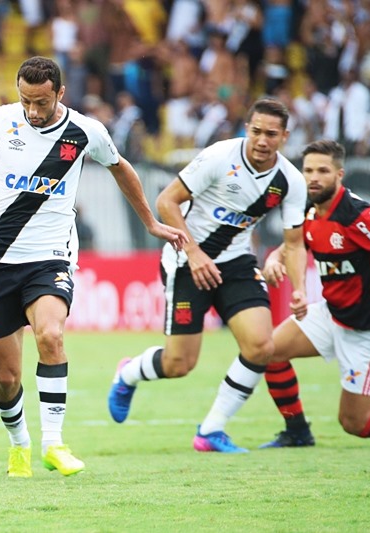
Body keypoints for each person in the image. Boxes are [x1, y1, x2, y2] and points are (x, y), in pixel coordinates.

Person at [0, 56, 187, 478]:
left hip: (51, 257)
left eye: (41, 102)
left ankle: (53, 443)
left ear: (60, 94)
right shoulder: (0, 122)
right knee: (7, 378)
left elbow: (123, 169)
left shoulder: (85, 131)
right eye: (26, 100)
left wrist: (151, 222)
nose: (32, 111)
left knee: (51, 334)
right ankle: (20, 444)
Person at [107, 97, 309, 453]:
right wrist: (194, 253)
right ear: (247, 129)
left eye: (271, 134)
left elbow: (294, 243)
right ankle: (128, 373)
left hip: (236, 264)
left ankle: (211, 430)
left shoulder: (290, 181)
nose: (263, 140)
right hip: (187, 262)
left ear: (285, 136)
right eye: (257, 131)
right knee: (179, 363)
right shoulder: (219, 157)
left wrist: (300, 289)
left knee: (262, 346)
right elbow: (167, 201)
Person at [259, 139, 370, 448]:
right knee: (269, 352)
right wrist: (274, 258)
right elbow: (293, 244)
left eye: (322, 171)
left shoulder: (357, 215)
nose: (313, 177)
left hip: (368, 328)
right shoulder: (309, 209)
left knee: (355, 422)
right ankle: (298, 431)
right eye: (308, 170)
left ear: (340, 174)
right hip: (332, 313)